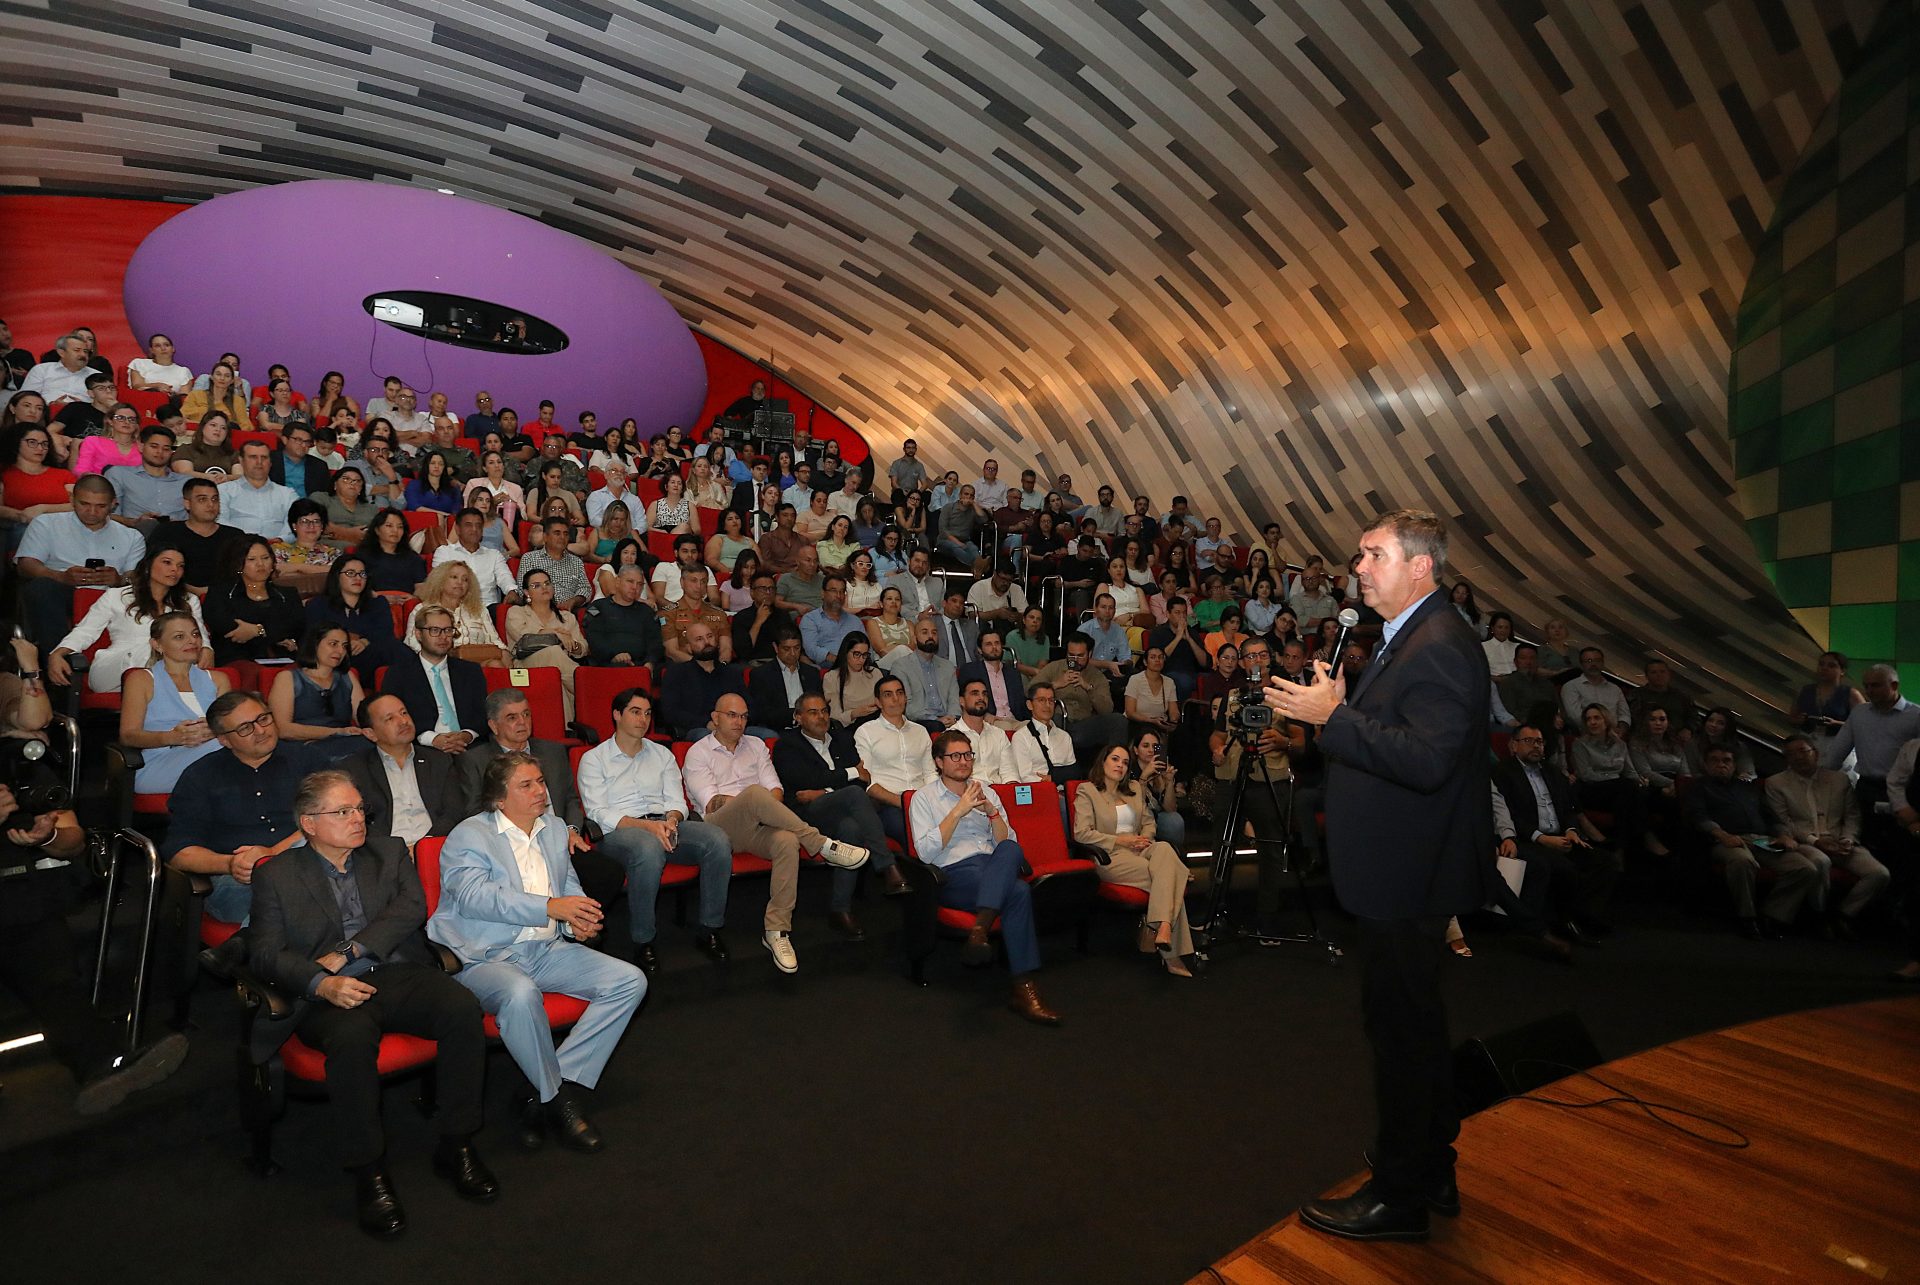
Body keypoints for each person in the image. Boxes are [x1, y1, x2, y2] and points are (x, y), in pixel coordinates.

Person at [1261, 510, 1492, 1243]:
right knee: (1413, 1025)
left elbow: (1427, 761)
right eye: (1360, 554)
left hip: (1407, 875)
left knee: (1401, 1033)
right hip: (1398, 870)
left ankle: (1400, 1194)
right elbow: (1390, 742)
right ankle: (1431, 1163)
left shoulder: (1442, 644)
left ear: (1420, 566)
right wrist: (1335, 712)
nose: (1357, 567)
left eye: (1374, 554)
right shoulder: (1405, 638)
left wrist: (1336, 718)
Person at [245, 768, 493, 1236]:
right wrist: (320, 982)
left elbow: (410, 910)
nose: (358, 818)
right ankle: (369, 1170)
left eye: (360, 808)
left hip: (393, 971)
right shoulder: (276, 875)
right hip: (323, 995)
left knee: (462, 1007)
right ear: (309, 823)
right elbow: (264, 952)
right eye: (343, 811)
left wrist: (347, 953)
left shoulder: (389, 849)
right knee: (353, 1037)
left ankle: (456, 1142)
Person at [429, 753, 646, 1154]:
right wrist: (548, 908)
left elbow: (567, 883)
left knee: (629, 981)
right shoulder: (468, 835)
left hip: (543, 948)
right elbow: (475, 897)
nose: (540, 791)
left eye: (541, 782)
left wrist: (578, 918)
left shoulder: (553, 829)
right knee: (520, 993)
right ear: (498, 797)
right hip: (484, 956)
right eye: (526, 785)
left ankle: (540, 1091)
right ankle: (559, 1102)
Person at [0, 776, 191, 1115]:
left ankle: (103, 1064)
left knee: (54, 975)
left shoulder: (18, 760)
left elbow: (74, 841)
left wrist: (48, 836)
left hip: (17, 895)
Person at [684, 693, 869, 971]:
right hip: (717, 829)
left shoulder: (756, 746)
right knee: (756, 794)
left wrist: (761, 805)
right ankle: (822, 845)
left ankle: (776, 931)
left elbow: (777, 792)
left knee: (786, 840)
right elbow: (712, 802)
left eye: (744, 716)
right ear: (715, 718)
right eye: (732, 715)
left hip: (761, 824)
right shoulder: (698, 751)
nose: (740, 721)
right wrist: (754, 803)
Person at [576, 687, 736, 973]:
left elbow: (677, 801)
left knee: (717, 839)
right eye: (635, 712)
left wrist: (671, 821)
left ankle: (709, 928)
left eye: (648, 713)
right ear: (616, 715)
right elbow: (598, 813)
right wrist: (648, 827)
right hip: (620, 833)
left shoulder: (662, 754)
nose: (643, 719)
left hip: (664, 824)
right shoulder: (594, 758)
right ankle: (643, 940)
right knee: (647, 848)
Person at [911, 730, 1061, 1025]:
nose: (963, 761)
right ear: (939, 762)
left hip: (993, 867)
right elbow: (925, 853)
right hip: (953, 874)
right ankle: (1024, 989)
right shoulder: (923, 798)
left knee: (1008, 849)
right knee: (1017, 891)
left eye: (968, 755)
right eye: (955, 756)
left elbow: (1010, 842)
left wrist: (992, 812)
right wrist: (958, 811)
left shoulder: (987, 792)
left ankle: (980, 931)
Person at [164, 691, 318, 922]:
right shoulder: (200, 776)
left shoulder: (307, 760)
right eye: (245, 728)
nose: (260, 730)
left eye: (263, 718)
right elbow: (179, 852)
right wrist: (231, 864)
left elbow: (334, 817)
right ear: (224, 740)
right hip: (238, 880)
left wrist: (273, 853)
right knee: (281, 898)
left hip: (307, 862)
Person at [1491, 723, 1622, 946]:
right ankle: (1564, 922)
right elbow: (1508, 814)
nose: (1536, 746)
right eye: (1528, 741)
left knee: (1605, 862)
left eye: (1539, 742)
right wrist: (1541, 838)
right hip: (1528, 839)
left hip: (1560, 837)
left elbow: (1569, 808)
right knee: (1563, 867)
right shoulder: (1503, 772)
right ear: (1513, 745)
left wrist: (1571, 830)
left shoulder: (1552, 772)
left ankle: (1585, 917)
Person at [1075, 744, 1195, 975]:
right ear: (1103, 762)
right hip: (1111, 855)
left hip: (1142, 848)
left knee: (1164, 850)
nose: (1120, 765)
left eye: (1125, 762)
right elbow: (1082, 833)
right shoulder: (1087, 790)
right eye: (1115, 759)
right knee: (1169, 875)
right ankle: (1171, 953)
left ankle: (1163, 927)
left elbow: (1149, 822)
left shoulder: (1134, 788)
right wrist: (1123, 841)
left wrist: (1143, 839)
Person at [1686, 744, 1823, 939]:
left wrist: (1784, 834)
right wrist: (1722, 835)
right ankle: (1747, 917)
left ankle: (1773, 915)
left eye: (1726, 761)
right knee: (1743, 861)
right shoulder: (1699, 787)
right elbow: (1699, 818)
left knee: (1805, 868)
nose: (1721, 765)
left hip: (1762, 839)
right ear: (1706, 765)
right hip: (1725, 840)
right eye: (1715, 761)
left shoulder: (1747, 788)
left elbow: (1771, 817)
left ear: (1734, 765)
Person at [1764, 735, 1889, 936]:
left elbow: (1852, 815)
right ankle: (1818, 913)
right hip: (1805, 842)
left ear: (1816, 753)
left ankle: (1842, 914)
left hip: (1839, 840)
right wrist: (1816, 841)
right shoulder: (1776, 783)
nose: (1798, 757)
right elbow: (1785, 822)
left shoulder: (1838, 779)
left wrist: (1848, 839)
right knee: (1821, 861)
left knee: (1879, 873)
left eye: (1803, 751)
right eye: (1791, 754)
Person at [48, 545, 206, 693]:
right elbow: (85, 631)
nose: (174, 570)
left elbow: (201, 637)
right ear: (148, 565)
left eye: (180, 566)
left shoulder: (189, 601)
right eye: (167, 562)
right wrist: (58, 653)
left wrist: (207, 650)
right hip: (114, 670)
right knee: (155, 647)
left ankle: (171, 691)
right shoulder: (116, 596)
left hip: (169, 671)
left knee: (182, 648)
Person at [15, 473, 145, 649]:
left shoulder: (131, 536)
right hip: (61, 592)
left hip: (109, 597)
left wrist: (119, 580)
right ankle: (59, 659)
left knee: (136, 595)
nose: (92, 512)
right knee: (41, 588)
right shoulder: (46, 524)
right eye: (84, 504)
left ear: (113, 504)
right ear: (72, 499)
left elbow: (133, 577)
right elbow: (26, 564)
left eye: (100, 506)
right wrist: (61, 577)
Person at [118, 611, 230, 793]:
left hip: (215, 753)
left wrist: (215, 730)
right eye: (179, 637)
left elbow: (231, 724)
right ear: (157, 645)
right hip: (160, 763)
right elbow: (128, 736)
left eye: (195, 634)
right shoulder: (142, 679)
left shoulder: (218, 679)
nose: (192, 641)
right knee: (230, 746)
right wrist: (173, 737)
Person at [342, 692, 466, 848]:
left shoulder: (439, 761)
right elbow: (359, 822)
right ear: (370, 734)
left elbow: (454, 812)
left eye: (404, 713)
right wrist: (395, 852)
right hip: (384, 855)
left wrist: (425, 847)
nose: (403, 721)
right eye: (390, 718)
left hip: (435, 847)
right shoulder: (354, 769)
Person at [382, 605, 487, 751]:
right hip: (422, 747)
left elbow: (483, 714)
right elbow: (393, 718)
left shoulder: (470, 671)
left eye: (448, 630)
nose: (443, 637)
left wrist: (467, 735)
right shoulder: (399, 674)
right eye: (435, 630)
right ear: (418, 634)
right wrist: (433, 739)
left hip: (469, 747)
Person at [267, 624, 372, 764]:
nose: (340, 651)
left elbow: (363, 719)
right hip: (303, 747)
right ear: (314, 645)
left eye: (344, 646)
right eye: (333, 644)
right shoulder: (287, 678)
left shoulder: (348, 677)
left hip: (344, 742)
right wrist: (336, 732)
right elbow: (283, 729)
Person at [203, 535, 305, 679]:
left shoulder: (288, 594)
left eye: (265, 558)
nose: (260, 564)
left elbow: (296, 625)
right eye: (252, 559)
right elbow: (225, 625)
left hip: (282, 659)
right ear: (239, 564)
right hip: (237, 658)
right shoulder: (222, 593)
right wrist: (272, 633)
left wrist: (257, 630)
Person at [505, 568, 588, 720]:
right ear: (526, 592)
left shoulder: (567, 617)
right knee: (554, 652)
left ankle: (566, 729)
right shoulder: (516, 612)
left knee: (557, 677)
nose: (544, 587)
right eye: (536, 585)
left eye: (547, 583)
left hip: (560, 666)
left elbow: (583, 648)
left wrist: (573, 646)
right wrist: (556, 635)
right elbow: (523, 636)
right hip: (525, 664)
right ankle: (590, 690)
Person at [1570, 703, 1650, 856]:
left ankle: (1620, 849)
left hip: (1618, 790)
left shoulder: (1620, 744)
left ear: (1606, 720)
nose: (1592, 722)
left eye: (1596, 718)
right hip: (1592, 789)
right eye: (1588, 719)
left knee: (1637, 791)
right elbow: (1585, 774)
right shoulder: (1580, 744)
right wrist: (1614, 778)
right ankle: (1644, 838)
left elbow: (1629, 770)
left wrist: (1640, 781)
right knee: (1626, 788)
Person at [1035, 636, 1128, 765]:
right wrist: (1055, 685)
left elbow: (1107, 709)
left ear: (1089, 654)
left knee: (1119, 720)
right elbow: (1030, 691)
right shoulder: (1054, 667)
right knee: (1052, 720)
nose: (1075, 660)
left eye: (1080, 656)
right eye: (1071, 655)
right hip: (1058, 718)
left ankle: (1114, 765)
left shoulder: (1096, 676)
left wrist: (1088, 688)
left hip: (1084, 723)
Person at [658, 620, 750, 740]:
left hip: (736, 727)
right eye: (699, 639)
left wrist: (735, 722)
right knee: (708, 737)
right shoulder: (676, 674)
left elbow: (749, 705)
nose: (707, 642)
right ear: (689, 648)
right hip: (698, 728)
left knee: (767, 736)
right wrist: (706, 723)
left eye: (710, 636)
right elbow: (671, 712)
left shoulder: (732, 673)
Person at [408, 561, 507, 666]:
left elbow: (495, 642)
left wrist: (505, 653)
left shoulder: (479, 609)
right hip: (441, 662)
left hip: (479, 662)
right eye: (454, 577)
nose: (460, 582)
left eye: (465, 580)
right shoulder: (422, 609)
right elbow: (412, 643)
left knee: (497, 664)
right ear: (440, 581)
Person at [880, 616, 960, 727]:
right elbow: (906, 705)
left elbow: (954, 699)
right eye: (925, 632)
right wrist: (936, 720)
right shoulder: (901, 666)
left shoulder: (948, 666)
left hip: (949, 721)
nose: (930, 636)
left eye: (934, 633)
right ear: (914, 639)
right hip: (918, 722)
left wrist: (953, 717)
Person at [583, 565, 664, 668]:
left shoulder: (647, 611)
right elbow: (594, 638)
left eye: (639, 584)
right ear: (617, 581)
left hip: (642, 666)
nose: (635, 587)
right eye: (630, 581)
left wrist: (650, 662)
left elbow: (656, 641)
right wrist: (613, 655)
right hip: (606, 665)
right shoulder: (597, 607)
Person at [747, 629, 824, 730]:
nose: (792, 653)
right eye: (786, 649)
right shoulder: (761, 675)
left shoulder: (811, 673)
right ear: (776, 647)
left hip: (812, 728)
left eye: (796, 648)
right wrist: (794, 715)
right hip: (780, 729)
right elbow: (761, 714)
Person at [948, 679, 1019, 784]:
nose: (981, 698)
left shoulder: (999, 734)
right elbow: (951, 779)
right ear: (961, 701)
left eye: (984, 694)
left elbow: (1009, 773)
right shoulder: (950, 737)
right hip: (967, 794)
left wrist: (1010, 794)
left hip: (998, 794)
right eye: (975, 694)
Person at [957, 626, 1027, 728]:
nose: (994, 647)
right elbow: (965, 700)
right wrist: (984, 714)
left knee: (1040, 729)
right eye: (988, 644)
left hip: (1014, 720)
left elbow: (1021, 705)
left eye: (997, 643)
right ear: (980, 650)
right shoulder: (970, 671)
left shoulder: (1013, 673)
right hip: (989, 720)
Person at [355, 507, 428, 595]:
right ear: (377, 530)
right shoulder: (363, 556)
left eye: (400, 527)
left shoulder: (413, 558)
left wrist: (413, 598)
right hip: (374, 602)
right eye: (389, 526)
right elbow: (356, 585)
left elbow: (421, 587)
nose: (395, 530)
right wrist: (378, 597)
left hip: (406, 604)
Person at [798, 572, 860, 667]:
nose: (838, 596)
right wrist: (838, 660)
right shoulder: (810, 619)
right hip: (829, 667)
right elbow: (811, 649)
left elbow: (867, 648)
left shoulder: (855, 621)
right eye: (833, 591)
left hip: (858, 666)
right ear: (823, 593)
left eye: (842, 591)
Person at [1125, 644, 1180, 738]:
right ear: (1145, 662)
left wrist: (1173, 722)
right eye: (1153, 657)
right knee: (1148, 735)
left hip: (1160, 725)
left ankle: (1161, 752)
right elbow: (1130, 712)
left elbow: (1173, 711)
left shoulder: (1169, 682)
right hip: (1137, 724)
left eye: (1160, 657)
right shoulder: (1135, 680)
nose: (1157, 660)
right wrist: (1150, 720)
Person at [1685, 706, 1756, 779]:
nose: (1713, 725)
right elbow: (1693, 773)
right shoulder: (1693, 744)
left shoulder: (1739, 747)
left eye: (1720, 723)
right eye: (1710, 721)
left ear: (1728, 727)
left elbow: (1750, 773)